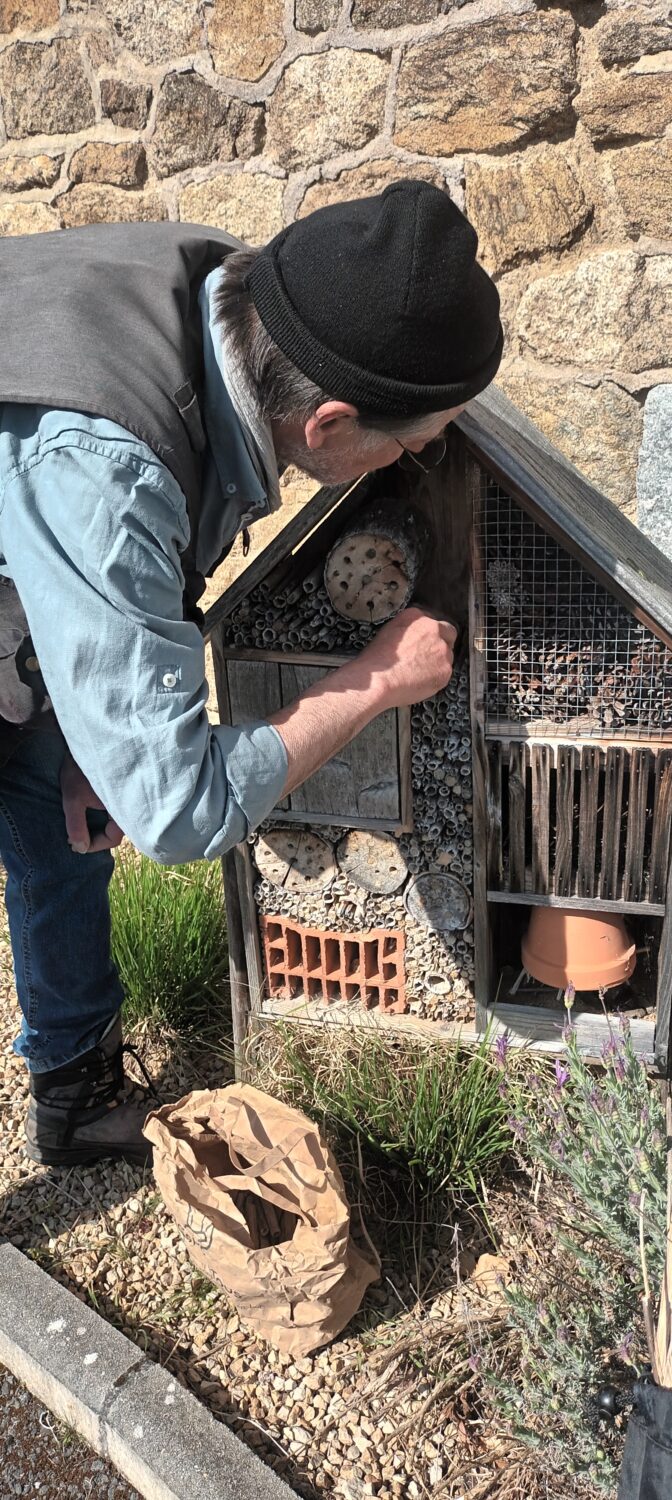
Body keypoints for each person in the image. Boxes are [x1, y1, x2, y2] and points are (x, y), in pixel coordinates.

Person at [0, 179, 503, 1168]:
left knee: (60, 815)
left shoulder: (242, 300)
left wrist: (98, 732)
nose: (414, 460)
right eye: (410, 444)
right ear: (327, 426)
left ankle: (75, 1088)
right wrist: (376, 679)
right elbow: (182, 816)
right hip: (47, 494)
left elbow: (133, 565)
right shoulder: (107, 465)